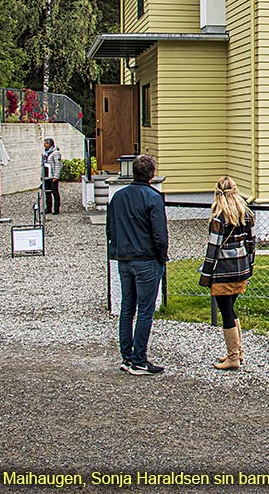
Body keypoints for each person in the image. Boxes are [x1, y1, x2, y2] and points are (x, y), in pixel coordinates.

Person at [105, 154, 168, 375]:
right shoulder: (154, 198)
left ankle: (128, 356)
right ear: (151, 174)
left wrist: (116, 250)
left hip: (125, 259)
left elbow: (110, 228)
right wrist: (162, 256)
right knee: (145, 311)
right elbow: (160, 234)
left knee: (127, 308)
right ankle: (139, 359)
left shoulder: (118, 197)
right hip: (146, 258)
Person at [198, 176, 256, 371]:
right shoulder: (246, 214)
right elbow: (251, 243)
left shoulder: (219, 218)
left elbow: (212, 248)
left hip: (223, 270)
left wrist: (206, 274)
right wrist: (250, 266)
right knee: (231, 308)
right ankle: (237, 351)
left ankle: (233, 357)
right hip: (241, 267)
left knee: (226, 312)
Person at [41, 138, 62, 215]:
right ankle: (48, 208)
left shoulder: (55, 153)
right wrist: (42, 175)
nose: (44, 145)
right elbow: (43, 165)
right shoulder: (45, 153)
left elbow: (58, 165)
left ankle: (56, 208)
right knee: (47, 193)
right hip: (46, 175)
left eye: (46, 143)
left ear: (50, 144)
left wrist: (56, 176)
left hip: (52, 176)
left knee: (55, 192)